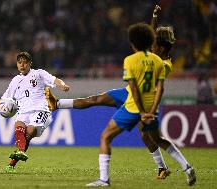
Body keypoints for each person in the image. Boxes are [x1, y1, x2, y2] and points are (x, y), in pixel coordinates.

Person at [46, 5, 173, 180]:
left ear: (161, 46)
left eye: (155, 43)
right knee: (95, 99)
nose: (152, 45)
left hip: (139, 101)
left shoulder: (164, 64)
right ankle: (57, 103)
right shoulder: (154, 56)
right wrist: (154, 16)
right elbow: (149, 38)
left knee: (146, 136)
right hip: (127, 93)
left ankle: (164, 167)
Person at [83, 23, 196, 187]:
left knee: (105, 137)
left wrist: (142, 111)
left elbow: (134, 89)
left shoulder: (132, 60)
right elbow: (160, 89)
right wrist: (151, 110)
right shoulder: (158, 62)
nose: (153, 45)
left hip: (134, 106)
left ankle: (104, 179)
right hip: (151, 107)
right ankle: (186, 167)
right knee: (158, 139)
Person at [0, 51, 70, 173]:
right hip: (23, 112)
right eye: (19, 62)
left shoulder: (39, 74)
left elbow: (55, 80)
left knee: (30, 131)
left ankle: (15, 159)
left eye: (25, 62)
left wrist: (62, 85)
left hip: (40, 110)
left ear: (30, 63)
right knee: (18, 126)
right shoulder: (15, 80)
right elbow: (4, 100)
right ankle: (13, 163)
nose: (22, 65)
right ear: (17, 64)